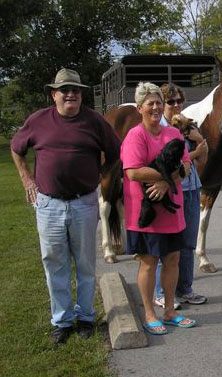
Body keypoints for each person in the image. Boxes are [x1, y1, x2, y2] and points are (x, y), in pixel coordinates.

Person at [10, 68, 121, 344]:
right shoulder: (38, 121)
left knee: (85, 264)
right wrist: (26, 179)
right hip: (48, 205)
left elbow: (116, 152)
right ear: (54, 94)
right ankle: (62, 321)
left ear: (81, 95)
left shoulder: (95, 121)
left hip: (84, 203)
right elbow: (16, 148)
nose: (71, 94)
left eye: (76, 90)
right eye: (65, 90)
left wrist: (101, 173)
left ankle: (84, 318)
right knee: (54, 264)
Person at [121, 82, 194, 335]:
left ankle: (170, 310)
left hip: (172, 209)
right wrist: (163, 178)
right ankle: (150, 313)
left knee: (172, 259)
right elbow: (133, 171)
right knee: (149, 262)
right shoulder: (135, 135)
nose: (155, 107)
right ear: (140, 108)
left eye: (158, 103)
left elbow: (186, 166)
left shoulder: (173, 134)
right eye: (150, 103)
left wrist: (166, 181)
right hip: (146, 210)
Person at [153, 83, 208, 309]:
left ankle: (185, 289)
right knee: (167, 245)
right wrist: (197, 148)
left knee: (188, 244)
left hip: (192, 189)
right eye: (171, 102)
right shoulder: (160, 129)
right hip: (172, 191)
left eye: (179, 101)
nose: (176, 105)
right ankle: (161, 292)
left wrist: (197, 138)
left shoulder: (187, 125)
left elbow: (202, 161)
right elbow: (172, 163)